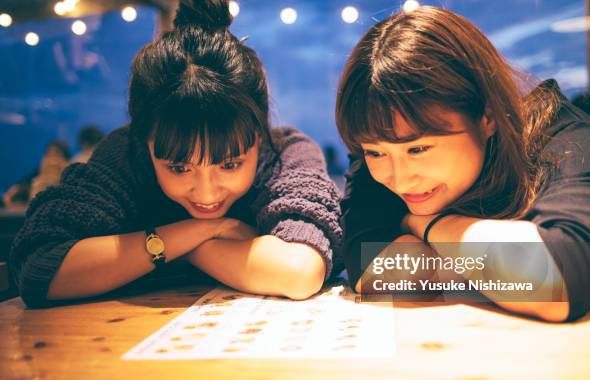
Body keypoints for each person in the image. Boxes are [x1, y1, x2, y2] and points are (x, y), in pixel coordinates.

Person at [9, 0, 342, 308]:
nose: (207, 193)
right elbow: (39, 268)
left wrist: (175, 249)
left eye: (229, 164)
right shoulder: (126, 157)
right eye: (179, 168)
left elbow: (300, 271)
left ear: (259, 134)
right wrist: (198, 233)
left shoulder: (285, 154)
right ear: (145, 143)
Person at [335, 6, 590, 322]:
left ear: (487, 117)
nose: (400, 180)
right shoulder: (385, 137)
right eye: (374, 153)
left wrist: (426, 226)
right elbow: (367, 264)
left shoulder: (568, 140)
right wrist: (501, 271)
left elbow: (557, 280)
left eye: (419, 149)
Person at [2, 140, 71, 208]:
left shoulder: (71, 187)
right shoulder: (27, 185)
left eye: (57, 156)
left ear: (67, 162)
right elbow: (7, 200)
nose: (52, 161)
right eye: (48, 155)